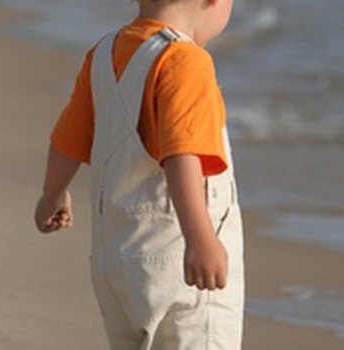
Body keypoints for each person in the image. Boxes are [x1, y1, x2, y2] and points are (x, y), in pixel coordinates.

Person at [33, 0, 244, 349]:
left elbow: (67, 142)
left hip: (116, 266)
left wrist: (51, 198)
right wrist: (200, 237)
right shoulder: (186, 61)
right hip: (178, 265)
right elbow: (182, 154)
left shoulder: (103, 56)